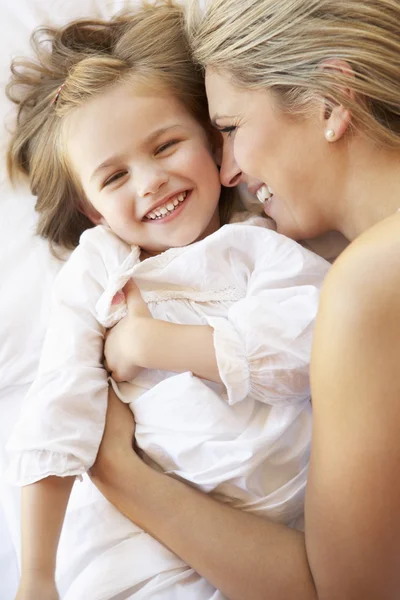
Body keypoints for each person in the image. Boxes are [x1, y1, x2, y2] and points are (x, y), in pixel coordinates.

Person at [5, 2, 330, 599]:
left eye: (164, 146)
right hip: (145, 547)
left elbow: (311, 350)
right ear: (90, 210)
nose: (149, 180)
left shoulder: (263, 240)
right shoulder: (101, 269)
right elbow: (60, 408)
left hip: (285, 527)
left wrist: (152, 343)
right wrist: (36, 577)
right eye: (113, 177)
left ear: (212, 143)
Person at [88, 1, 400, 599]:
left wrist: (119, 472)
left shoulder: (367, 289)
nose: (226, 171)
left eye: (229, 129)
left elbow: (344, 591)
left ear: (331, 101)